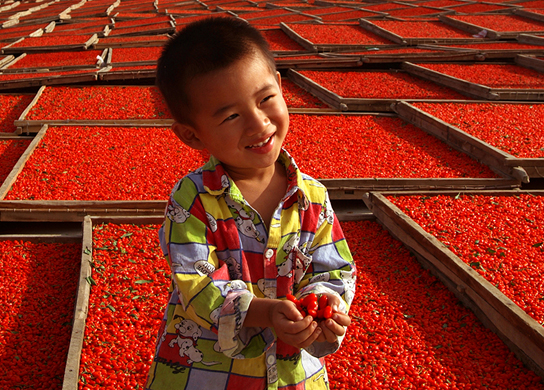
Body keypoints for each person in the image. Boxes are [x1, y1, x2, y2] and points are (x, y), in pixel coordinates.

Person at [145, 16, 356, 390]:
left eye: (266, 99)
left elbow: (333, 269)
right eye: (231, 116)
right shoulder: (191, 199)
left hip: (294, 373)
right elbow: (197, 284)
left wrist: (322, 306)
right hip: (207, 373)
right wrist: (267, 312)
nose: (259, 124)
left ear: (279, 85)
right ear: (191, 135)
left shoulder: (313, 197)